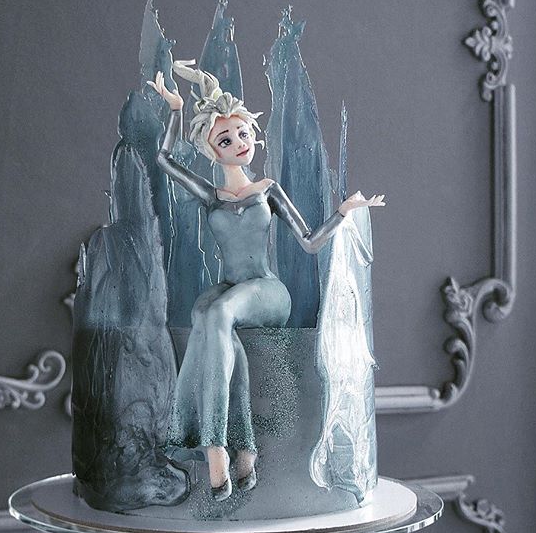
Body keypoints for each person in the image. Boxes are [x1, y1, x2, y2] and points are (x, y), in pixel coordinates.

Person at [149, 62, 384, 501]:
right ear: (211, 150)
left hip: (267, 293)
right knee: (204, 314)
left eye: (243, 134)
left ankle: (214, 445)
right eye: (226, 140)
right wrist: (177, 109)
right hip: (231, 291)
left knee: (219, 311)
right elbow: (164, 160)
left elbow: (310, 241)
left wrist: (344, 211)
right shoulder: (210, 195)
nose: (239, 143)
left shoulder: (267, 189)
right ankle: (246, 450)